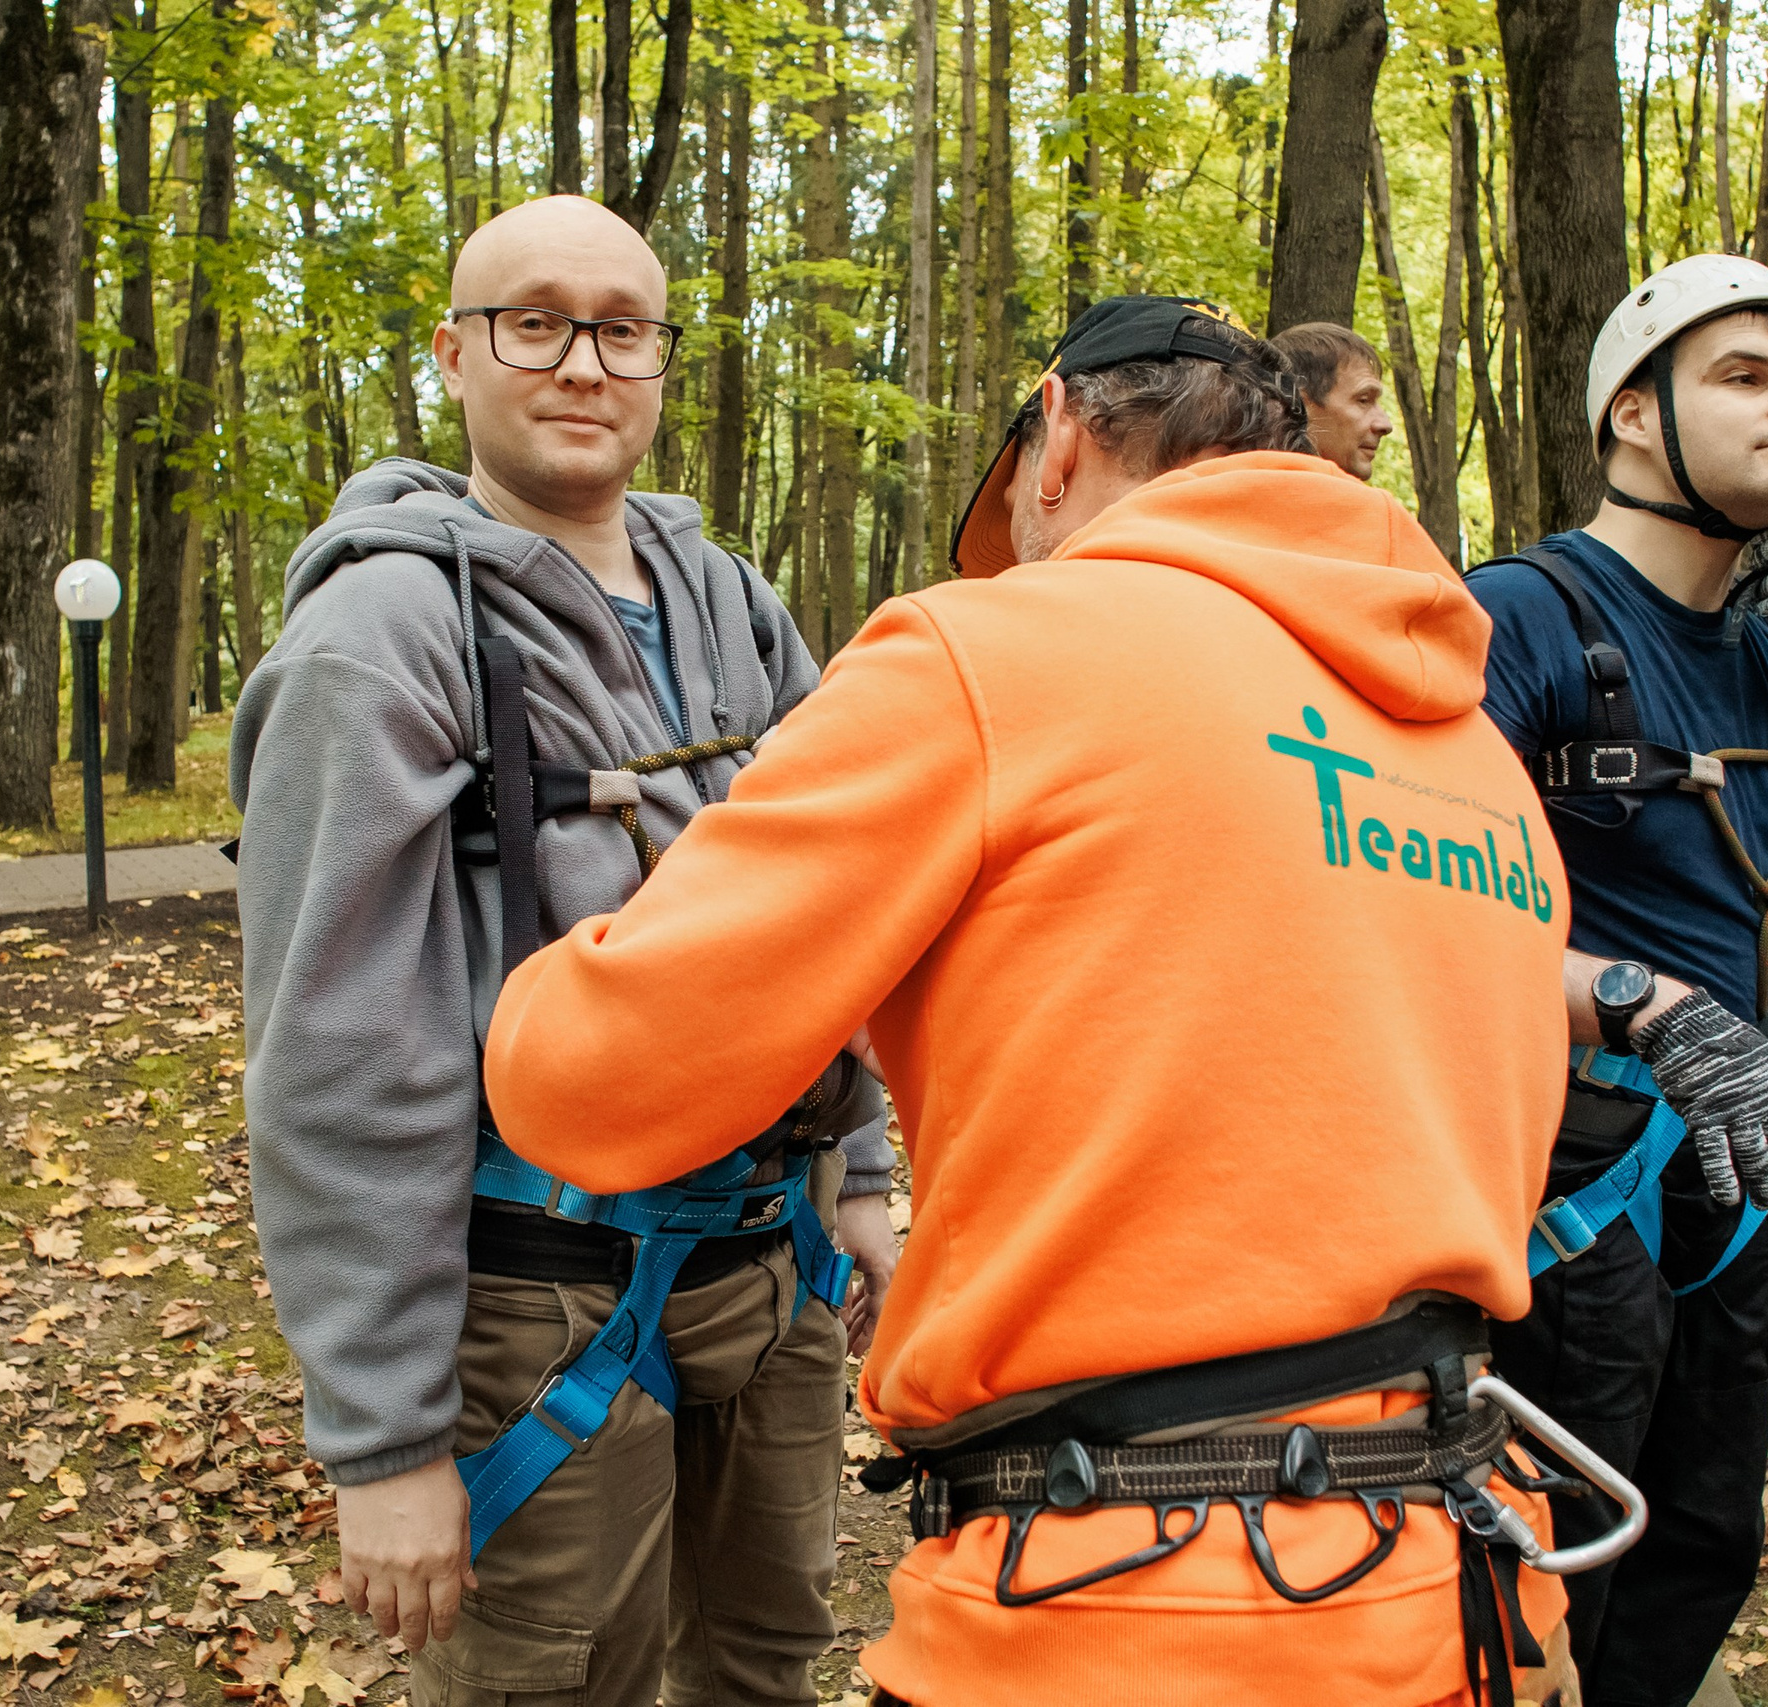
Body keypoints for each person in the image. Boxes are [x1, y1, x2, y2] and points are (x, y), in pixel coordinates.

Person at [482, 295, 1599, 1706]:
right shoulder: (1469, 751)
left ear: (1057, 432)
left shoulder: (995, 652)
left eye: (1014, 517)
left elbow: (593, 1080)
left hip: (1123, 1615)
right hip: (1468, 1597)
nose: (1016, 557)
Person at [229, 194, 901, 1707]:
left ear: (661, 360)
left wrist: (859, 1177)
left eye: (621, 328)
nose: (581, 363)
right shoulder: (380, 636)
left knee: (765, 1659)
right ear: (455, 356)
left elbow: (831, 904)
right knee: (558, 1682)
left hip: (776, 1264)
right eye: (532, 322)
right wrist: (386, 1442)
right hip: (542, 1303)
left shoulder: (730, 596)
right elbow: (339, 1051)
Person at [1464, 254, 1768, 1706]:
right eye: (1744, 375)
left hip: (1739, 1169)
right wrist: (1650, 1008)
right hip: (1569, 1172)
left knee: (1704, 1538)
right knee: (1550, 1561)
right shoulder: (1521, 616)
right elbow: (1403, 909)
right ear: (1631, 414)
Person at [1274, 320, 1396, 480]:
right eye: (1363, 400)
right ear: (1297, 408)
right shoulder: (1374, 505)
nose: (1385, 425)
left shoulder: (1232, 487)